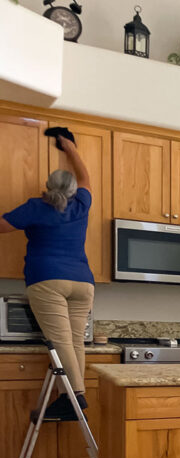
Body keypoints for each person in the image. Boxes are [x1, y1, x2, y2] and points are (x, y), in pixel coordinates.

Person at [0, 135, 94, 420]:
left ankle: (74, 398)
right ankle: (74, 395)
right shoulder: (82, 204)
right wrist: (71, 149)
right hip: (83, 282)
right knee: (76, 341)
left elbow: (2, 226)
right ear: (73, 189)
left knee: (61, 341)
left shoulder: (36, 207)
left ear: (48, 188)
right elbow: (86, 176)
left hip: (47, 279)